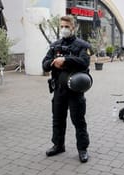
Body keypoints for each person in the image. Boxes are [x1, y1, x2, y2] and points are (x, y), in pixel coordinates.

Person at [42, 15, 91, 163]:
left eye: (67, 27)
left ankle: (82, 149)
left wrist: (65, 60)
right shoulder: (55, 45)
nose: (64, 29)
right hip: (59, 89)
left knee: (78, 120)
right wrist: (53, 62)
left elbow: (84, 63)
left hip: (75, 91)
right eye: (62, 26)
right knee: (57, 118)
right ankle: (58, 145)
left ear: (73, 28)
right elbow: (44, 64)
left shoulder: (82, 45)